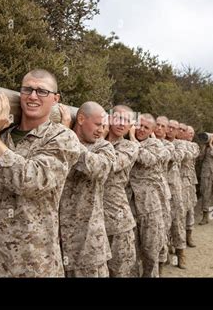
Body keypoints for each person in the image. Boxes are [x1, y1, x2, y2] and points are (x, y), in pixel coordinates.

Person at [0, 69, 81, 277]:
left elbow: (29, 181)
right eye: (27, 89)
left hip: (31, 261)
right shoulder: (4, 135)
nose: (33, 96)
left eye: (42, 91)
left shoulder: (63, 139)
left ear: (55, 99)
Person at [59, 101, 116, 277]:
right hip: (55, 239)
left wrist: (65, 135)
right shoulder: (57, 140)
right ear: (81, 119)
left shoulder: (103, 147)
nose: (102, 130)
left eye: (104, 126)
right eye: (98, 125)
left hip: (88, 244)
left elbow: (97, 168)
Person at [129, 114, 168, 277]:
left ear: (152, 131)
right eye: (139, 125)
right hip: (131, 202)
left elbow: (147, 159)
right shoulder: (127, 143)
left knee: (150, 248)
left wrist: (132, 138)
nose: (141, 129)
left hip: (150, 205)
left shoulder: (155, 145)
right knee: (132, 249)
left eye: (146, 127)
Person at [103, 105, 140, 276]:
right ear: (109, 119)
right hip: (91, 218)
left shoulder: (130, 147)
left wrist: (100, 141)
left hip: (117, 218)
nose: (121, 123)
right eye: (118, 118)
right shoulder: (91, 141)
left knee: (120, 268)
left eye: (127, 120)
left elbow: (110, 164)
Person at [165, 119, 188, 269]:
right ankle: (165, 254)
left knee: (177, 222)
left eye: (175, 128)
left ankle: (181, 254)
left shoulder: (180, 144)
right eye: (170, 127)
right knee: (163, 224)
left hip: (174, 188)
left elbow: (177, 156)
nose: (171, 130)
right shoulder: (156, 141)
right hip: (160, 189)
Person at [154, 116, 175, 273]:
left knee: (161, 230)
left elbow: (162, 157)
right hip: (142, 195)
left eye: (163, 126)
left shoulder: (168, 146)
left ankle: (160, 265)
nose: (159, 128)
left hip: (161, 194)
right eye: (157, 125)